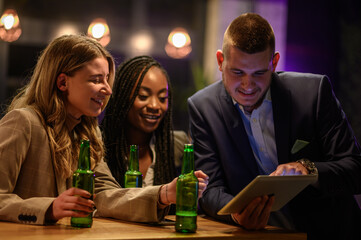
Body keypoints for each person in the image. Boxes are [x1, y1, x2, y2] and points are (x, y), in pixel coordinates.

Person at [0, 35, 207, 225]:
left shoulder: (88, 135)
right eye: (96, 80)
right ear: (63, 82)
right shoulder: (23, 122)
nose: (108, 89)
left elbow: (107, 196)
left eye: (107, 79)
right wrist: (50, 208)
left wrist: (164, 194)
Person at [187, 13, 361, 239]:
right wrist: (237, 214)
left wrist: (308, 168)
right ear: (221, 61)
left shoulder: (313, 92)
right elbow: (209, 188)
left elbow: (355, 169)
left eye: (259, 73)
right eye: (237, 72)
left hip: (330, 231)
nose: (247, 85)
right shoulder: (202, 107)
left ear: (274, 62)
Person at [101, 56, 190, 188]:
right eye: (143, 96)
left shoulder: (176, 146)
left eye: (162, 98)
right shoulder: (98, 146)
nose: (154, 105)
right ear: (122, 97)